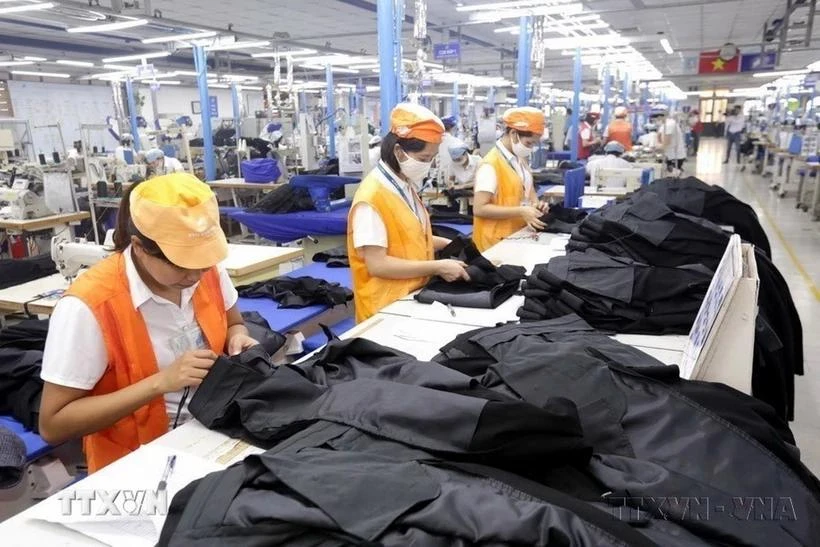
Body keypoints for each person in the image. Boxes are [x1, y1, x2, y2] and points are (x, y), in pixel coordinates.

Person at [38, 174, 260, 472]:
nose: (196, 276)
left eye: (203, 263)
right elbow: (53, 425)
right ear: (139, 247)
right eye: (180, 265)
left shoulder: (206, 271)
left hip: (211, 434)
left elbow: (235, 323)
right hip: (135, 465)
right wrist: (159, 383)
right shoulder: (88, 307)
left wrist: (238, 337)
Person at [347, 103, 469, 323]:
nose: (427, 165)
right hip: (384, 309)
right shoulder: (372, 197)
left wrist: (454, 244)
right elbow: (378, 264)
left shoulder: (404, 185)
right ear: (398, 151)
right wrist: (438, 266)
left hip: (410, 297)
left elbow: (406, 238)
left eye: (431, 158)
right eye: (423, 159)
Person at [472, 106, 550, 252]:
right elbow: (479, 208)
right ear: (514, 133)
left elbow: (529, 191)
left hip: (517, 237)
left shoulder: (520, 160)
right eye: (529, 143)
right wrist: (521, 211)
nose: (531, 148)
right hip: (493, 244)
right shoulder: (490, 165)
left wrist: (537, 206)